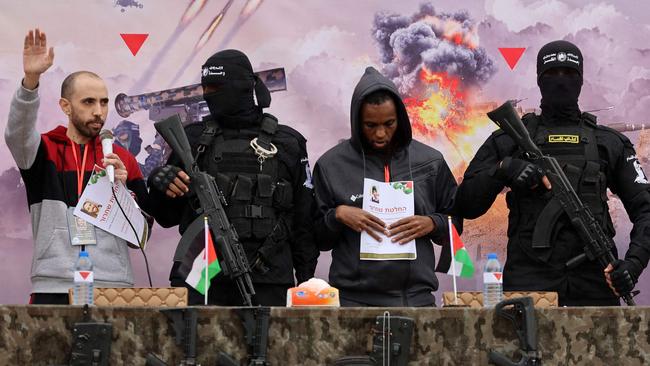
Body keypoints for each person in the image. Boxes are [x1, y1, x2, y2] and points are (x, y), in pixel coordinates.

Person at [454, 40, 650, 306]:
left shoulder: (609, 143)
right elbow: (465, 203)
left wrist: (634, 264)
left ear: (581, 80)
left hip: (595, 280)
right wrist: (504, 169)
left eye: (569, 74)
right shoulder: (507, 140)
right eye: (552, 74)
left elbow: (646, 209)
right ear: (539, 80)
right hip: (528, 282)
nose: (561, 82)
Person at [148, 49, 318, 306]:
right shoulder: (193, 139)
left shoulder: (287, 143)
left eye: (217, 87)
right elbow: (167, 216)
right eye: (206, 87)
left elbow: (304, 222)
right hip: (201, 277)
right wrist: (159, 181)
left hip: (268, 279)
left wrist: (306, 283)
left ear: (243, 86)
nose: (209, 94)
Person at [4, 29, 150, 304]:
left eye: (104, 102)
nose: (99, 111)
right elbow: (16, 132)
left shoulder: (123, 159)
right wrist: (30, 82)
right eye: (88, 102)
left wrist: (123, 193)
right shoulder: (43, 149)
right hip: (54, 285)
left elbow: (141, 238)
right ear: (66, 106)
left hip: (114, 286)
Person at [312, 67, 460, 307]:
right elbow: (316, 239)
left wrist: (432, 223)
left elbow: (456, 222)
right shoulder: (331, 165)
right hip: (353, 303)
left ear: (400, 118)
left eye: (389, 124)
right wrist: (337, 215)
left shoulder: (430, 161)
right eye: (370, 125)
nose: (380, 134)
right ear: (356, 122)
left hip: (415, 301)